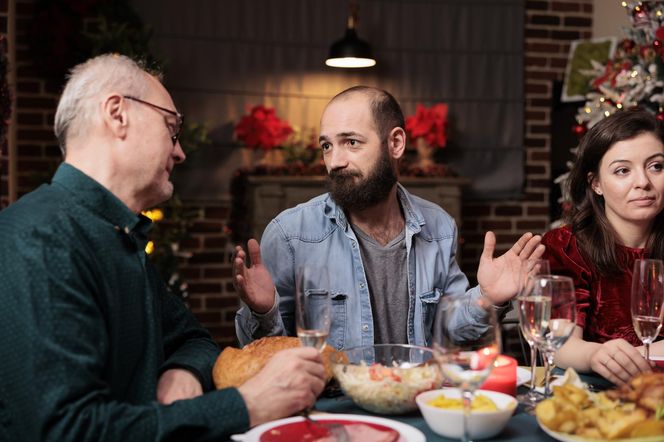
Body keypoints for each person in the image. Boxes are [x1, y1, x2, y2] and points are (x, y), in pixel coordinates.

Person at [0, 54, 325, 441]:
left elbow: (194, 340)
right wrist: (247, 404)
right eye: (171, 128)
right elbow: (70, 431)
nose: (180, 151)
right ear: (117, 114)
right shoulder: (40, 239)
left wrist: (182, 373)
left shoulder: (116, 235)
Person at [234, 86, 544, 349]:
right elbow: (265, 356)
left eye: (351, 142)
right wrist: (262, 313)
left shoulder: (438, 227)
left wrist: (488, 299)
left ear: (395, 143)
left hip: (414, 400)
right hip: (332, 406)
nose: (335, 161)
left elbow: (449, 333)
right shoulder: (290, 235)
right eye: (327, 146)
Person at [544, 108, 664, 386]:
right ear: (596, 183)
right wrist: (595, 355)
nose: (643, 182)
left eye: (656, 166)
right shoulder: (567, 247)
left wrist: (631, 356)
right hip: (594, 395)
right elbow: (561, 343)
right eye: (622, 170)